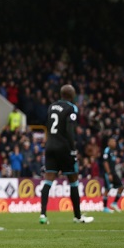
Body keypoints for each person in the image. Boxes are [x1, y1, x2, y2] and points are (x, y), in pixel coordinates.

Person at [39, 84, 93, 224]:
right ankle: (77, 216)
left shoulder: (51, 107)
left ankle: (43, 215)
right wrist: (73, 149)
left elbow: (48, 126)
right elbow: (70, 130)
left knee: (48, 180)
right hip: (64, 148)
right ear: (71, 95)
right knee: (73, 181)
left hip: (50, 146)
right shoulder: (71, 108)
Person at [101, 138, 124, 213]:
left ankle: (114, 203)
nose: (114, 143)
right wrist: (109, 173)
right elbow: (105, 162)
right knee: (107, 189)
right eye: (113, 142)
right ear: (109, 143)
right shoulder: (106, 150)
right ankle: (104, 208)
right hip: (109, 173)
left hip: (114, 173)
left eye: (115, 142)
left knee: (121, 187)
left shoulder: (113, 151)